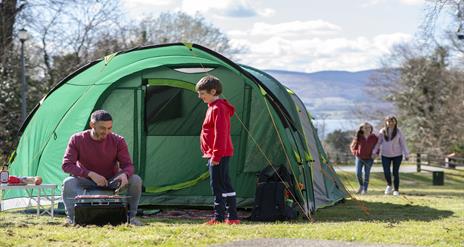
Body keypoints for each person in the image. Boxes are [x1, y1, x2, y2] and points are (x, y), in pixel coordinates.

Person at [61, 110, 143, 225]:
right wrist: (90, 174)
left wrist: (125, 174)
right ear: (92, 125)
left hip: (111, 181)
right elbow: (66, 165)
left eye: (109, 128)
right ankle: (72, 219)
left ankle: (131, 218)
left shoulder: (118, 140)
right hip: (87, 180)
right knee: (68, 182)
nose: (106, 132)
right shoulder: (77, 139)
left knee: (136, 179)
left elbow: (128, 165)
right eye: (102, 128)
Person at [196, 75, 240, 225]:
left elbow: (221, 134)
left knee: (218, 185)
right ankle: (232, 217)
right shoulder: (213, 108)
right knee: (224, 183)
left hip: (218, 155)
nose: (200, 96)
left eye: (202, 93)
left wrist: (216, 156)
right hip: (216, 154)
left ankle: (220, 217)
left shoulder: (218, 108)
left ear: (213, 91)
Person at [373, 116, 409, 196]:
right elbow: (378, 143)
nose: (391, 123)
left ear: (395, 122)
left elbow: (403, 144)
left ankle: (396, 190)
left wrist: (406, 154)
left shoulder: (399, 131)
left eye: (392, 121)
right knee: (386, 171)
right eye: (389, 121)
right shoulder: (382, 131)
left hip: (397, 155)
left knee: (395, 172)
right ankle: (389, 185)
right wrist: (374, 152)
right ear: (386, 122)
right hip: (385, 155)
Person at [350, 122, 378, 195]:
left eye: (368, 127)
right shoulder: (358, 136)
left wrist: (376, 154)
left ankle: (364, 190)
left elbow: (377, 147)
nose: (367, 129)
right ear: (362, 129)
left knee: (367, 174)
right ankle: (361, 186)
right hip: (359, 158)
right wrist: (355, 153)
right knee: (358, 173)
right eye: (365, 127)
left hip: (369, 159)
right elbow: (352, 146)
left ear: (371, 128)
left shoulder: (374, 137)